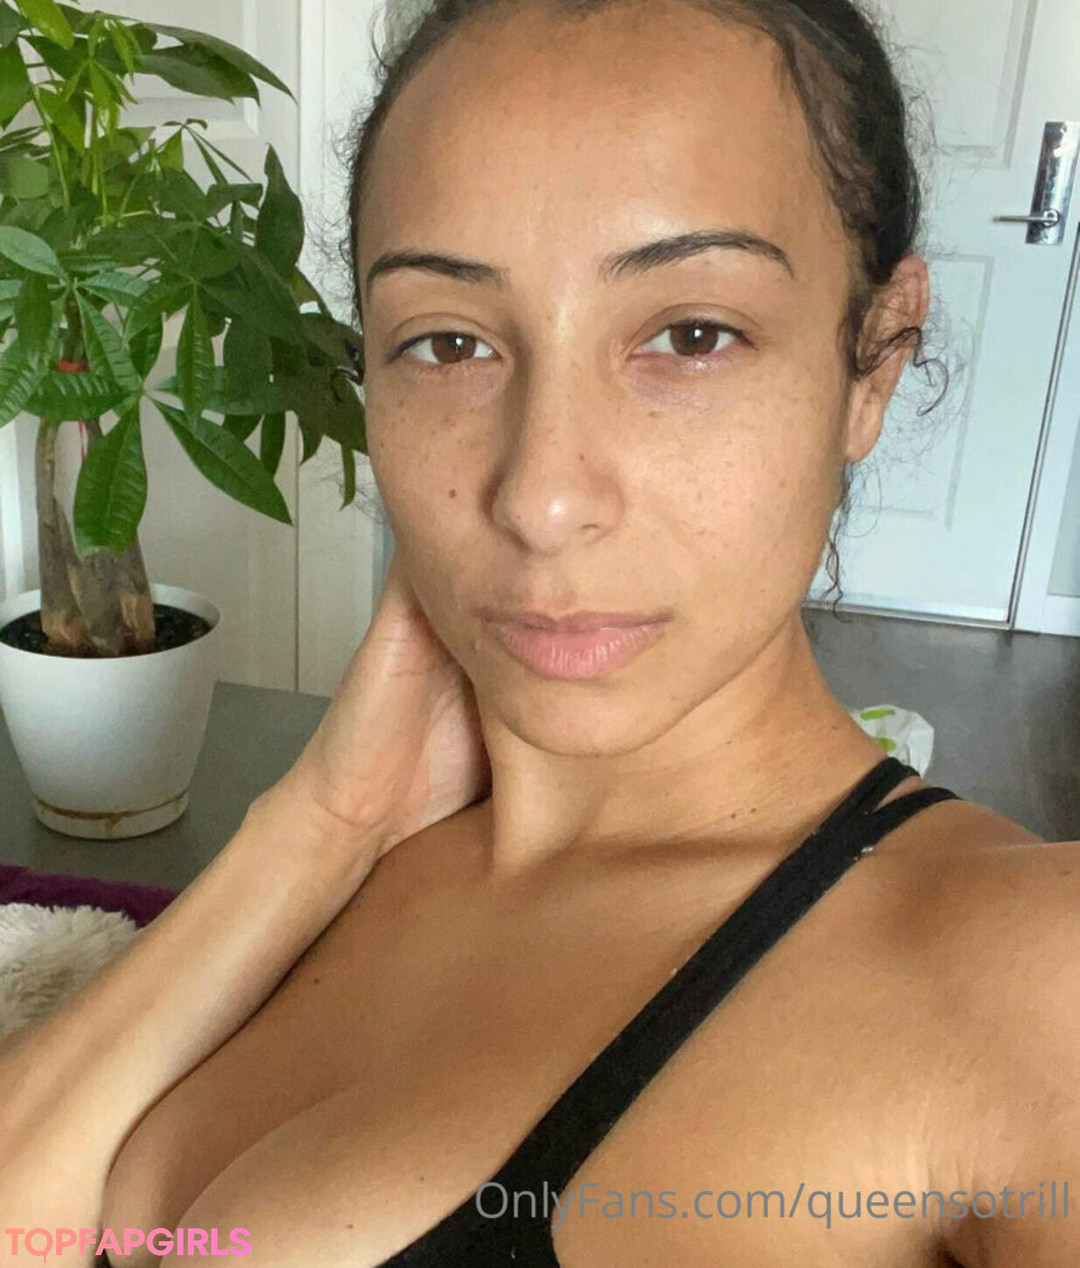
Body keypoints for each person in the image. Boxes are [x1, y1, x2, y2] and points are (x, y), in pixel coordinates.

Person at [2, 0, 1078, 1264]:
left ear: (875, 359)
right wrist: (316, 827)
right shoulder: (362, 854)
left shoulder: (1023, 966)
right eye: (448, 342)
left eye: (692, 335)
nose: (542, 495)